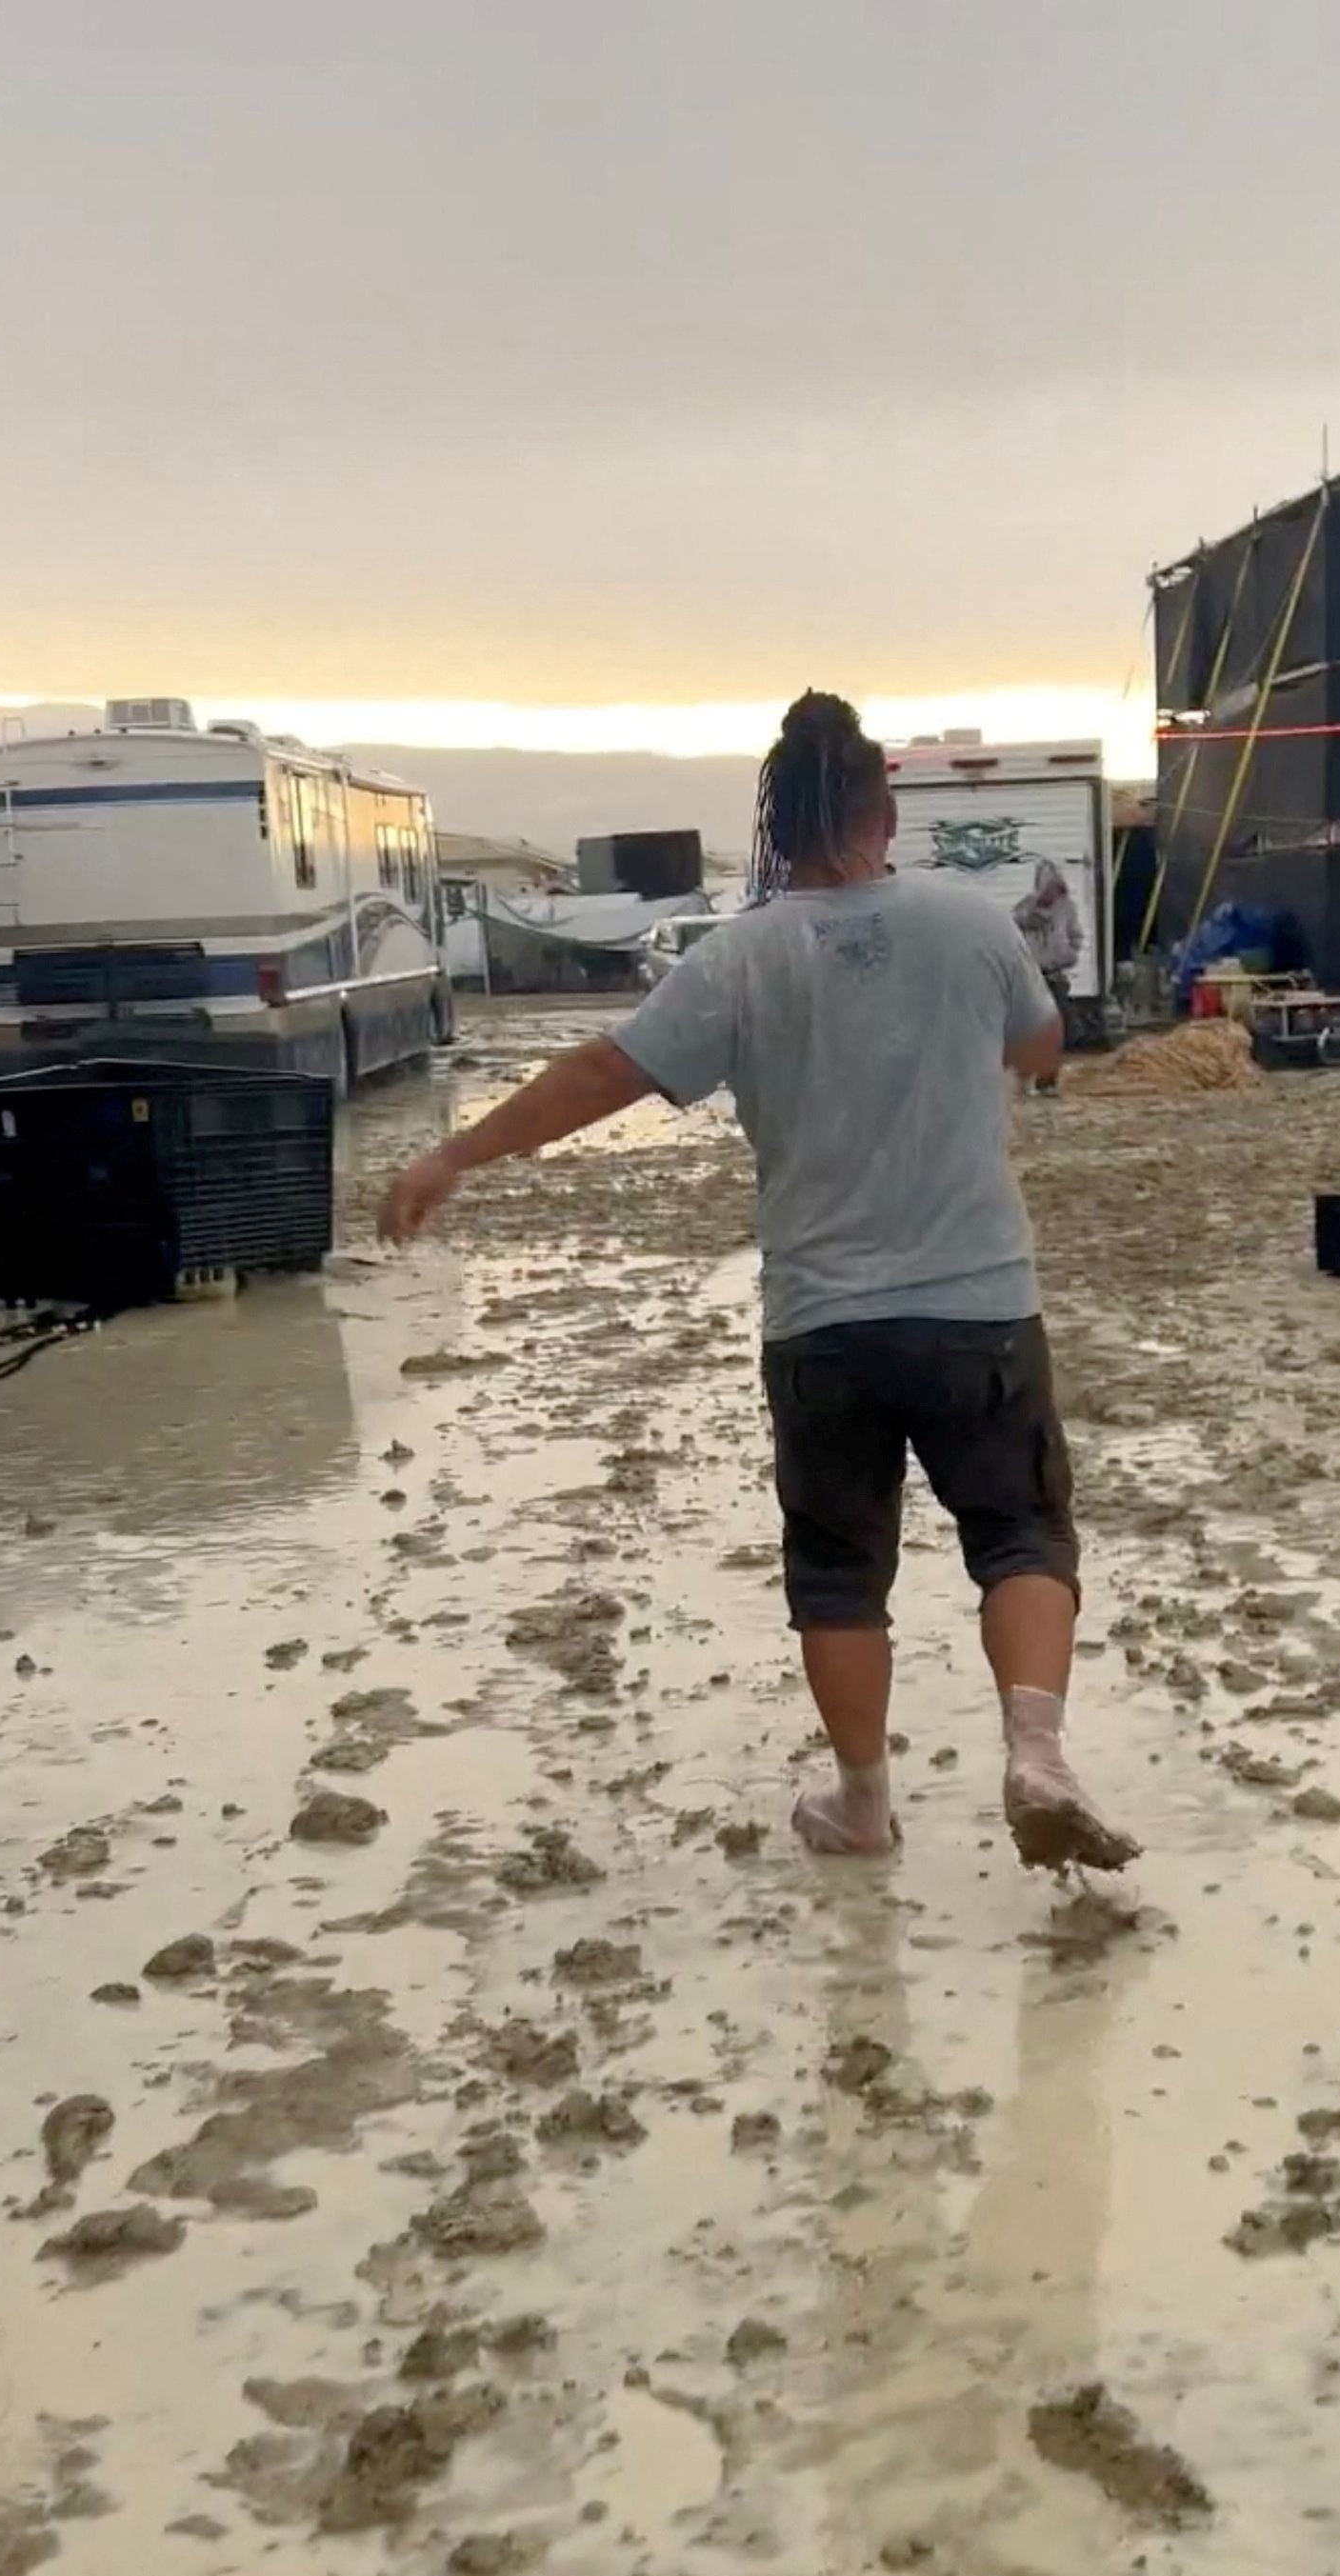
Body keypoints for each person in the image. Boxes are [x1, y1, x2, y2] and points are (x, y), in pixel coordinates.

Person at [380, 691, 1135, 1877]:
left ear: (776, 829)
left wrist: (450, 1154)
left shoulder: (736, 958)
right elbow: (1041, 1047)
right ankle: (1034, 1751)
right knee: (1022, 1533)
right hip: (980, 1306)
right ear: (884, 813)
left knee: (839, 1578)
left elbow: (598, 1073)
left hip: (823, 1325)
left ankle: (863, 1805)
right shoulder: (972, 925)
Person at [1011, 859, 1081, 1096]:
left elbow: (1076, 936)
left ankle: (1048, 1082)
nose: (1051, 891)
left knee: (1058, 1031)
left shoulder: (1067, 908)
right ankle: (1025, 1078)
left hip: (1056, 976)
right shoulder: (1024, 907)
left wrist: (1069, 955)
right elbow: (1011, 932)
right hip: (1032, 977)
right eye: (1047, 886)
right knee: (1031, 1030)